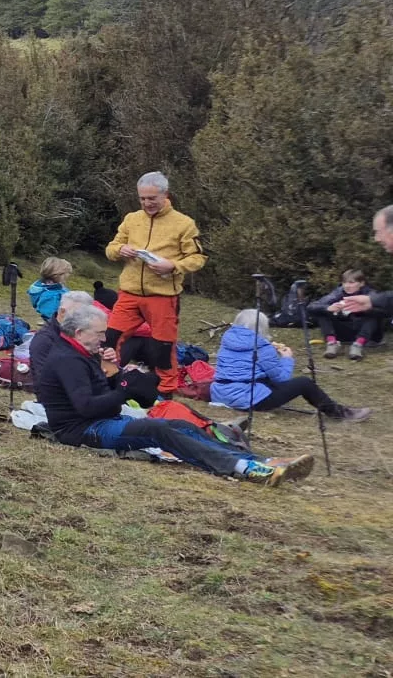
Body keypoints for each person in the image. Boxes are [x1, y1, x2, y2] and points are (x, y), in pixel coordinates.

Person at [31, 291, 313, 485]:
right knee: (160, 430)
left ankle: (260, 460)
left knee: (181, 425)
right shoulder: (66, 359)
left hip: (100, 420)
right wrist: (124, 389)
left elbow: (99, 392)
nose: (105, 338)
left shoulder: (80, 353)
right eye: (100, 333)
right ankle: (244, 469)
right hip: (83, 430)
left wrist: (120, 378)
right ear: (79, 333)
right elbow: (85, 406)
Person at [104, 172, 206, 395]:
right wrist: (120, 249)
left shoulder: (184, 224)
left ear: (165, 195)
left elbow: (198, 258)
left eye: (152, 198)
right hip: (129, 292)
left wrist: (173, 266)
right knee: (110, 338)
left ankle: (165, 392)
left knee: (163, 346)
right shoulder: (132, 219)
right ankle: (108, 379)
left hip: (163, 295)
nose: (147, 203)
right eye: (142, 199)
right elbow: (110, 249)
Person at [212, 309, 370, 421]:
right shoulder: (262, 347)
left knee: (263, 378)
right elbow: (281, 378)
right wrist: (287, 358)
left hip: (220, 394)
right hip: (247, 399)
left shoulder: (227, 341)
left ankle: (339, 412)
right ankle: (339, 413)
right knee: (304, 383)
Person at [312, 270, 380, 360]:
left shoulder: (370, 294)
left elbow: (385, 311)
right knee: (322, 311)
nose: (347, 286)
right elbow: (312, 306)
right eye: (344, 282)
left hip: (365, 333)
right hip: (343, 331)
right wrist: (328, 308)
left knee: (375, 314)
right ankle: (332, 343)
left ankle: (358, 345)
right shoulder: (338, 293)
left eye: (351, 282)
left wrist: (365, 308)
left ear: (361, 283)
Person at [28, 257, 74, 324]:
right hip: (59, 324)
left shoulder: (49, 287)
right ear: (58, 275)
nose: (67, 276)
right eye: (65, 274)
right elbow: (51, 315)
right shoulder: (51, 295)